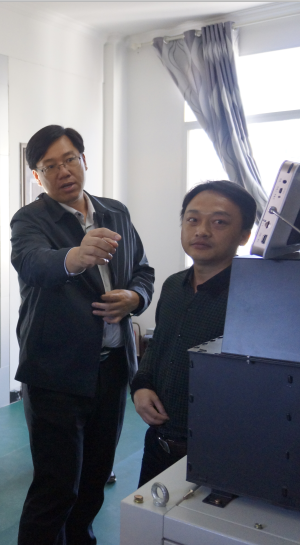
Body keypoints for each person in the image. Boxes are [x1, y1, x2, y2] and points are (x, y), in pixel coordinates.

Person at [10, 126, 155, 545]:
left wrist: (135, 297)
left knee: (94, 479)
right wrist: (75, 257)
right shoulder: (30, 219)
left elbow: (143, 270)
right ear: (37, 176)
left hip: (111, 371)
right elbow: (33, 263)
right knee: (55, 488)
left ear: (84, 160)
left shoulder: (115, 212)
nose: (63, 171)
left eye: (70, 159)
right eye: (49, 166)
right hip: (56, 373)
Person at [132, 181, 255, 486]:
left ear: (244, 235)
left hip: (218, 451)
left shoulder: (252, 296)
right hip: (159, 443)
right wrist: (141, 385)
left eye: (219, 222)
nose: (202, 230)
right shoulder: (173, 285)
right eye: (192, 219)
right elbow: (159, 344)